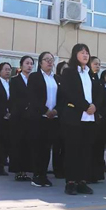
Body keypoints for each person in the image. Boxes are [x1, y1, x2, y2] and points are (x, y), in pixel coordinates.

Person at [61, 44, 102, 195]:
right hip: (75, 117)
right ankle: (71, 182)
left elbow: (99, 92)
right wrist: (85, 106)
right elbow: (69, 92)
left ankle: (82, 181)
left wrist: (95, 106)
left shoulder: (91, 73)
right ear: (75, 54)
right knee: (73, 150)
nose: (85, 55)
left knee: (86, 151)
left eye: (87, 53)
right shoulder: (69, 72)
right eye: (82, 52)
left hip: (90, 117)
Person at [28, 51, 61, 188]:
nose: (50, 62)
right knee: (38, 148)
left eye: (51, 59)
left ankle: (44, 175)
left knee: (47, 148)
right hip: (39, 117)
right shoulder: (35, 77)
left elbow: (62, 97)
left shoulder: (57, 78)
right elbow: (33, 97)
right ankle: (37, 175)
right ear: (40, 62)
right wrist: (45, 110)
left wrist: (56, 110)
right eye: (46, 59)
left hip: (53, 118)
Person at [9, 56, 34, 182]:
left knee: (28, 144)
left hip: (31, 117)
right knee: (17, 143)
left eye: (31, 63)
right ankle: (18, 171)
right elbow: (14, 98)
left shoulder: (34, 80)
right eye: (27, 63)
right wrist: (24, 106)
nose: (29, 66)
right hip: (18, 116)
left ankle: (26, 170)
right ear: (21, 65)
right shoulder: (15, 80)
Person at [88, 56, 105, 183]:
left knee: (98, 146)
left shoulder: (98, 80)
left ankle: (96, 174)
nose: (98, 66)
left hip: (98, 116)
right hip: (89, 113)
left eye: (99, 64)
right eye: (95, 64)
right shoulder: (87, 78)